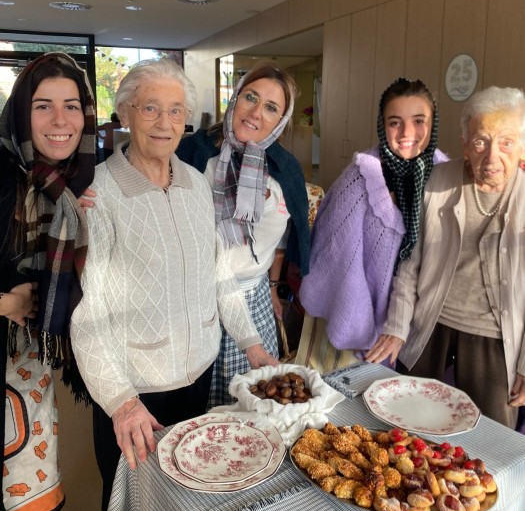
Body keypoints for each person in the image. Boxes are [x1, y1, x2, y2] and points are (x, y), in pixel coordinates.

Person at [70, 58, 277, 511]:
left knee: (182, 506)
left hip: (197, 376)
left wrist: (252, 344)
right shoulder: (100, 194)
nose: (165, 122)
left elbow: (218, 274)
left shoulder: (196, 185)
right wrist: (122, 402)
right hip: (137, 390)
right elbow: (88, 316)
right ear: (125, 113)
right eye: (150, 108)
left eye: (176, 111)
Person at [366, 86, 525, 429]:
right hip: (431, 323)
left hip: (495, 337)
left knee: (490, 438)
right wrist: (397, 327)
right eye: (480, 141)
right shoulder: (438, 180)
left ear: (522, 147)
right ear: (465, 144)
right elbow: (411, 262)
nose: (492, 156)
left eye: (507, 143)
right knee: (405, 424)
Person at [0, 53, 95, 511]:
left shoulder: (71, 187)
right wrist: (5, 303)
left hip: (27, 374)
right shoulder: (3, 176)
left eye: (71, 105)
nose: (60, 120)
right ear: (22, 112)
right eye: (43, 106)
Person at [177, 64, 310, 405]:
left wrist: (273, 286)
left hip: (254, 302)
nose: (256, 112)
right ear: (235, 99)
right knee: (197, 404)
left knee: (251, 402)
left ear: (281, 121)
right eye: (251, 97)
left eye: (271, 107)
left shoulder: (285, 170)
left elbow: (282, 240)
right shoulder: (192, 153)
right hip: (196, 300)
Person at [299, 78, 447, 359]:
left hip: (425, 337)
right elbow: (335, 254)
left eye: (419, 121)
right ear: (382, 125)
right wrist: (361, 330)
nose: (407, 132)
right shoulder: (360, 178)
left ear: (433, 123)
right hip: (363, 340)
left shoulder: (447, 177)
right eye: (395, 122)